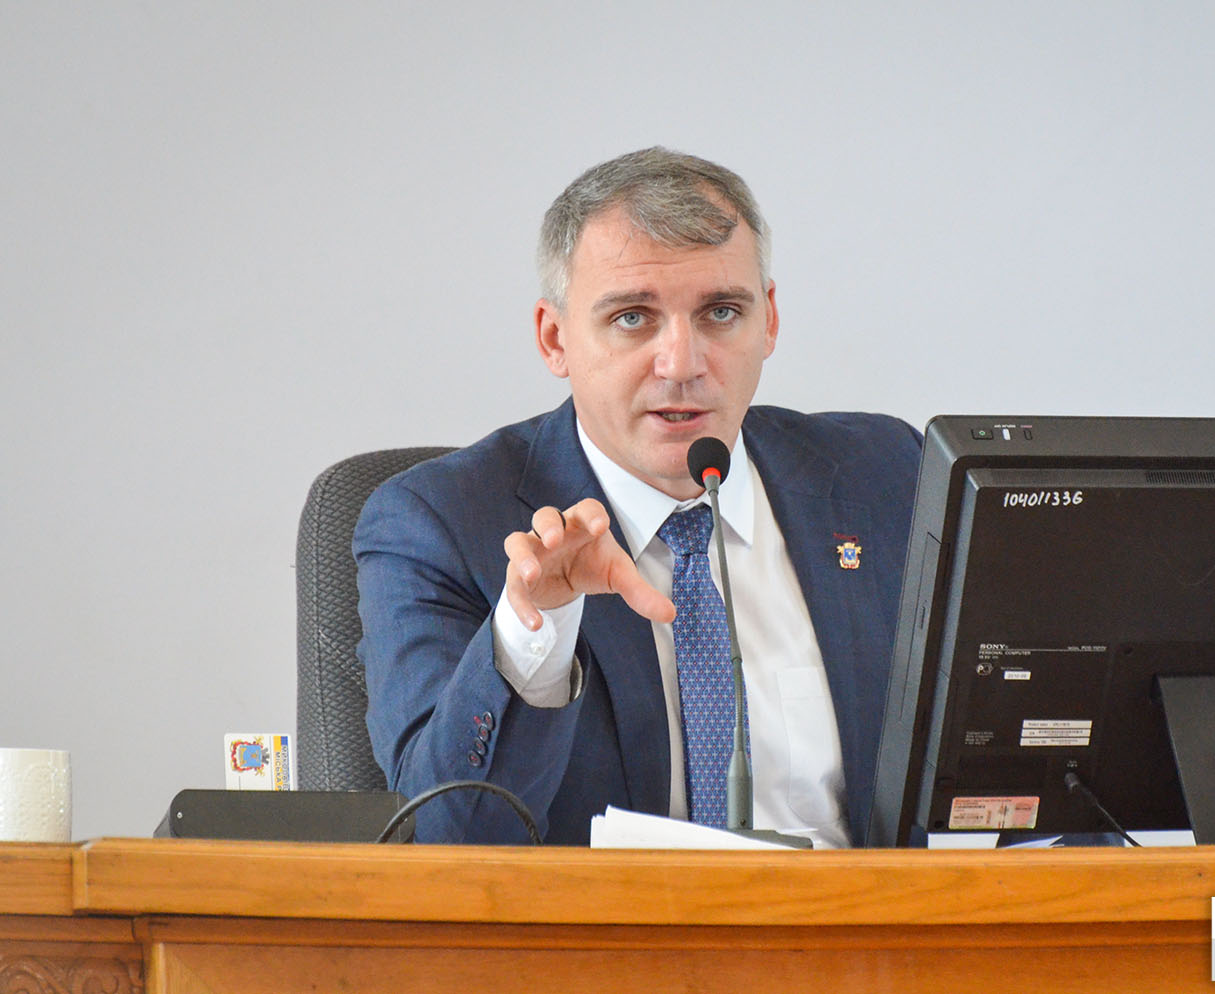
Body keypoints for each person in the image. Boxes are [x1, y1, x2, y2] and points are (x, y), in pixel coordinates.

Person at [354, 147, 920, 846]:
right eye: (632, 318)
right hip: (602, 919)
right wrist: (535, 632)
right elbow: (444, 838)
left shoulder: (885, 475)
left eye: (720, 312)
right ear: (555, 338)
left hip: (863, 913)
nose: (682, 364)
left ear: (769, 320)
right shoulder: (439, 524)